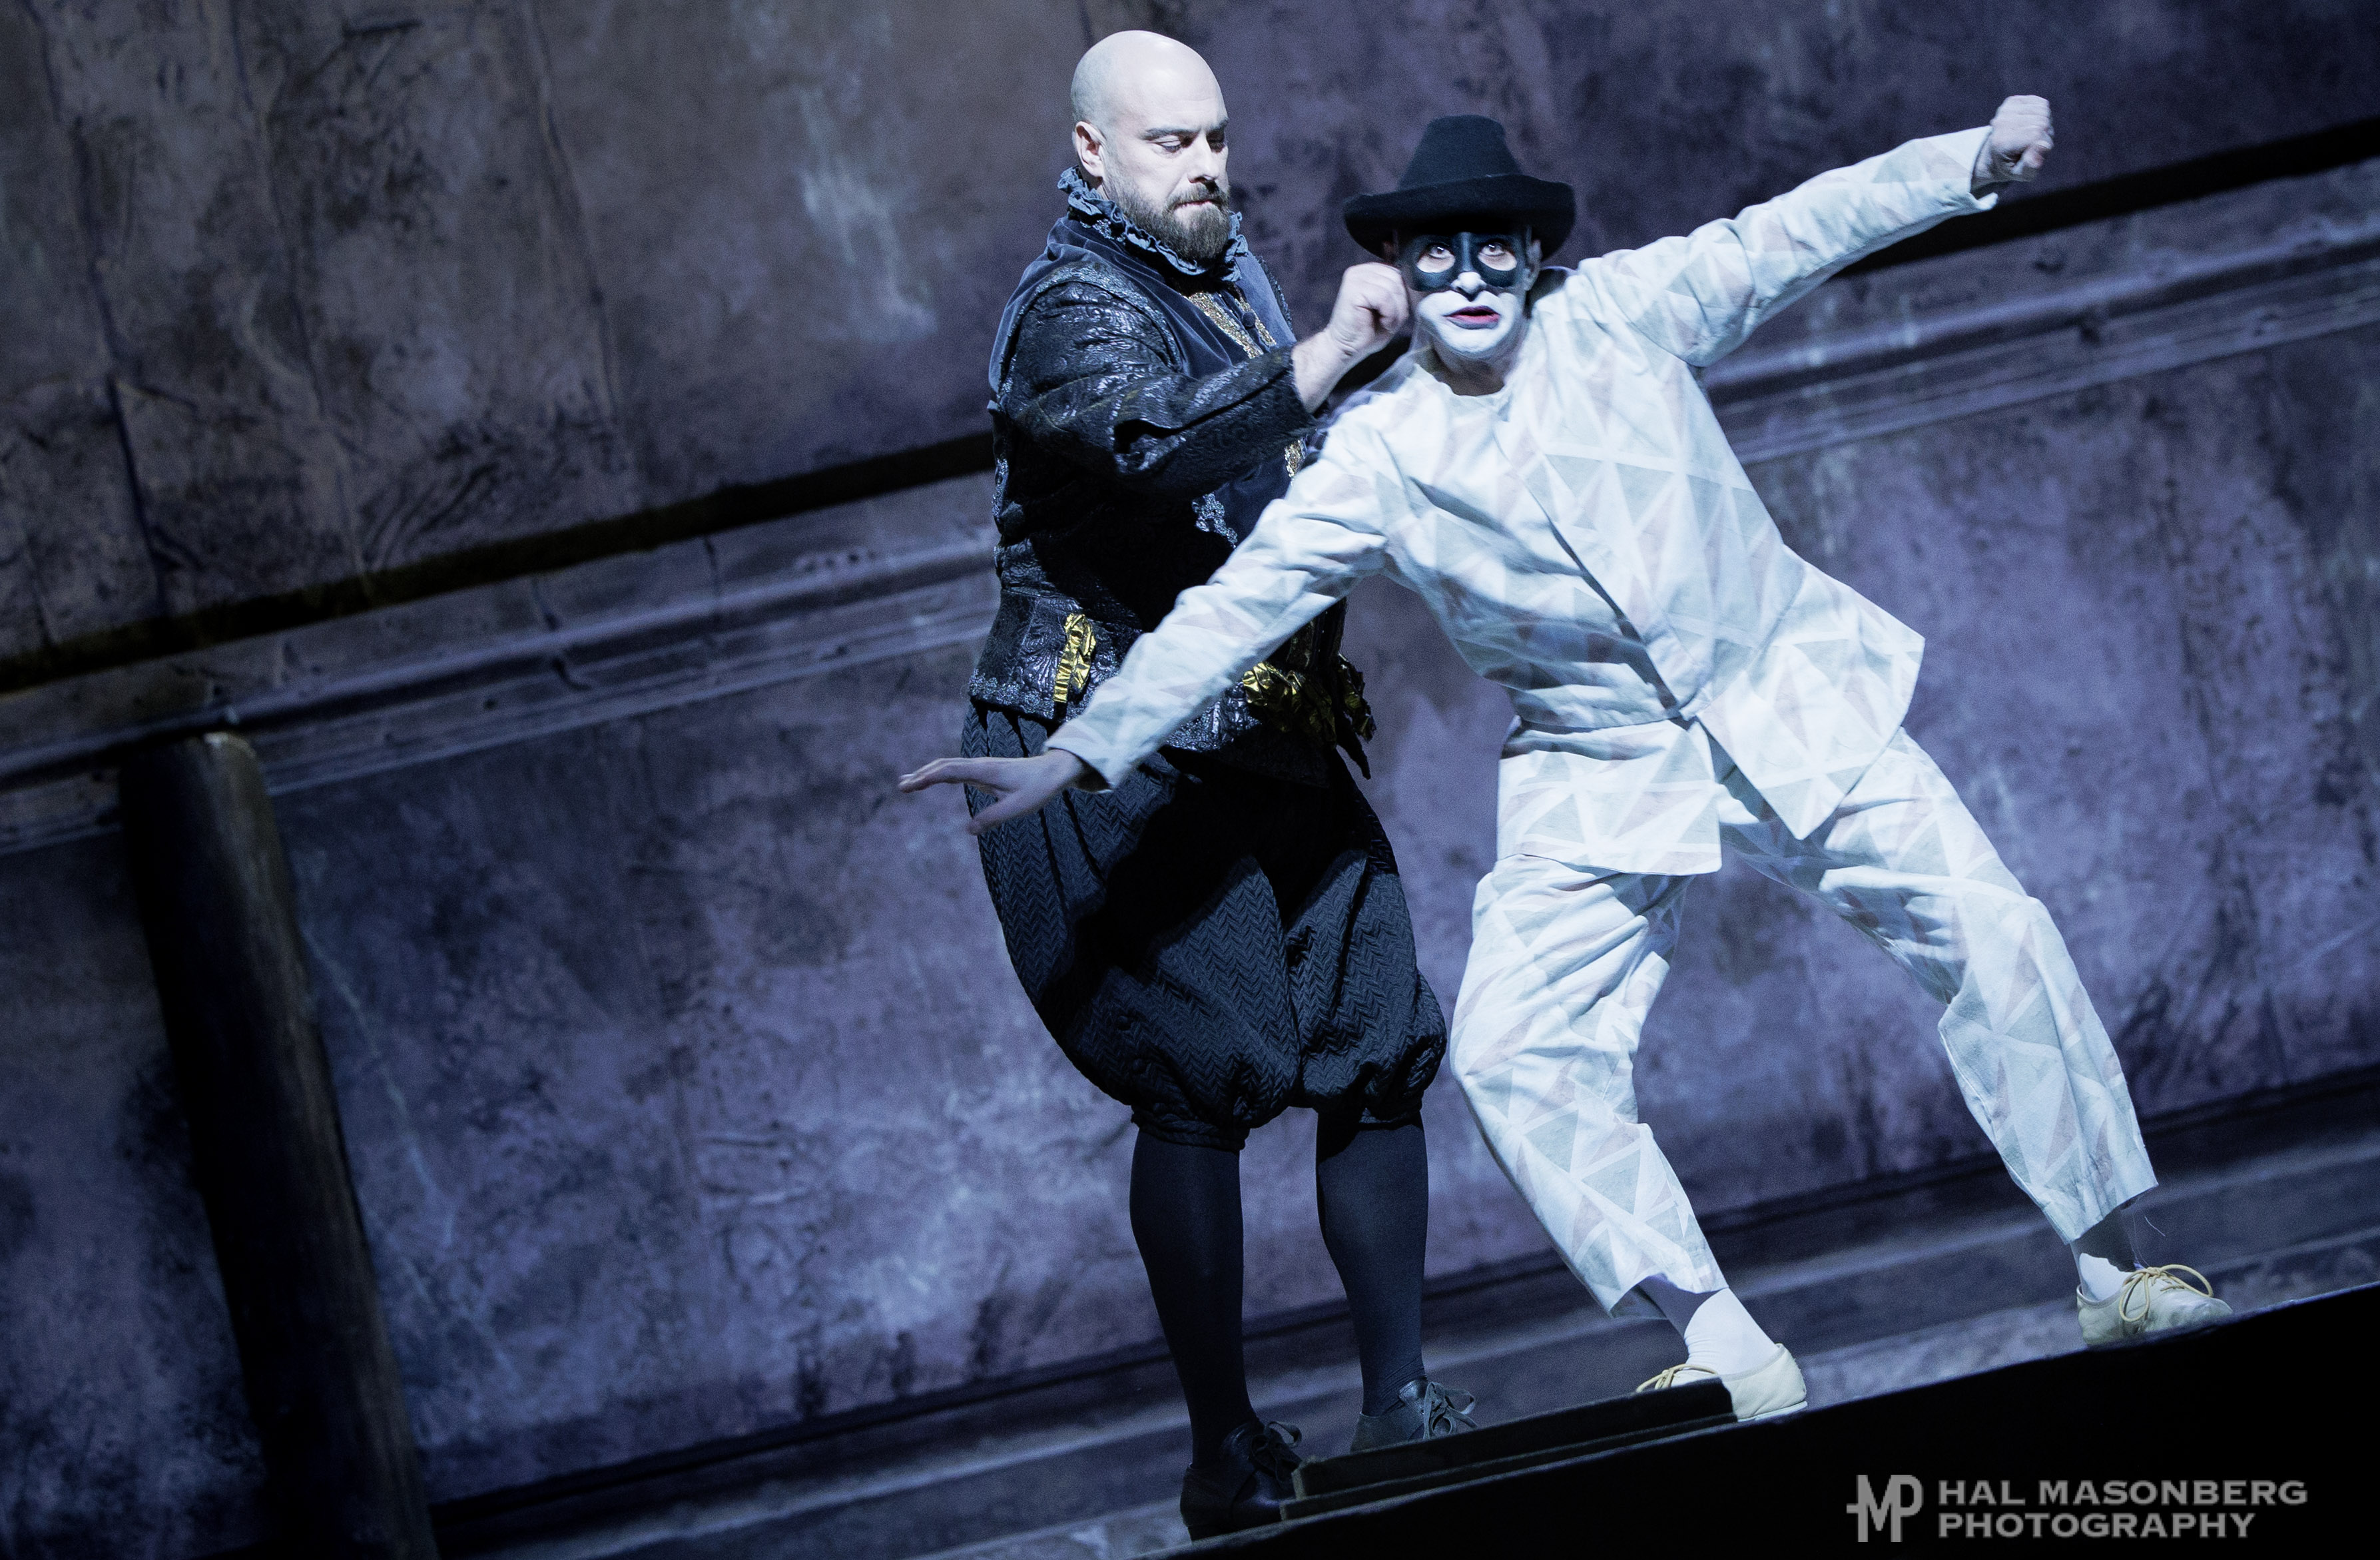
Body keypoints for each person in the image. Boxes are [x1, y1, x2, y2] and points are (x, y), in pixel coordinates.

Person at [905, 96, 2230, 1425]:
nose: (1468, 277)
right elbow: (1239, 605)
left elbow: (1795, 230)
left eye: (1494, 248)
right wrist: (1085, 747)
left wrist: (1968, 164)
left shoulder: (1621, 313)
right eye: (1437, 255)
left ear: (1533, 255)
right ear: (1402, 273)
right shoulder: (1382, 450)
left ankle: (2114, 1267)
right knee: (1513, 1048)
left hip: (1783, 698)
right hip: (1598, 771)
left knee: (1993, 934)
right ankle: (1721, 1339)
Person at [935, 31, 1474, 1537]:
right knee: (1201, 1066)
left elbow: (1272, 476)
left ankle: (1398, 1401)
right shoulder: (1069, 307)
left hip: (1267, 723)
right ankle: (1222, 1448)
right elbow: (1158, 445)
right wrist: (1325, 360)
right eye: (1169, 143)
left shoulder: (1220, 274)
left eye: (1216, 138)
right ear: (1092, 152)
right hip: (1108, 739)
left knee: (1377, 1031)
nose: (1205, 166)